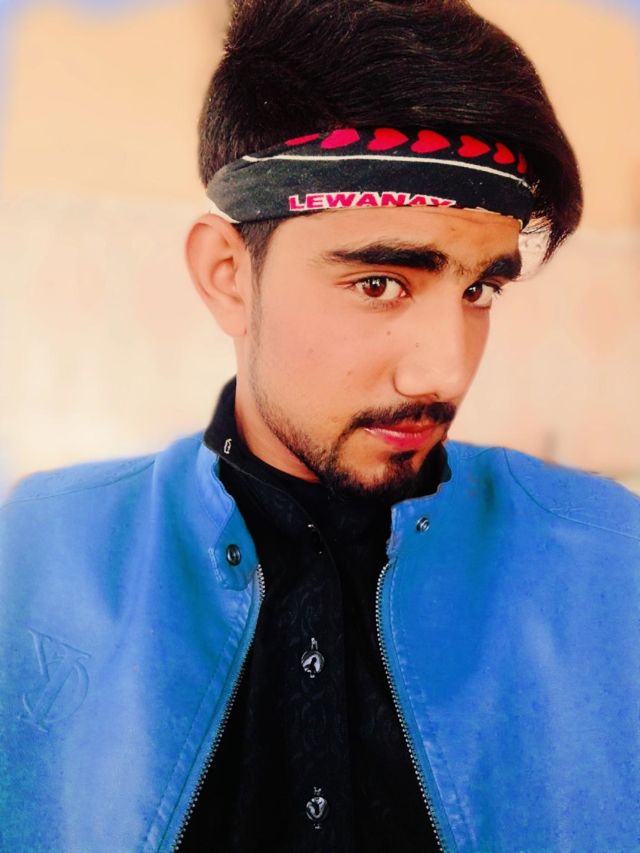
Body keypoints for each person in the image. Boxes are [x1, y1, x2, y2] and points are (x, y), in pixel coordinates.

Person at [1, 0, 638, 851]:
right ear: (228, 276)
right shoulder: (34, 558)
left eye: (480, 289)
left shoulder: (613, 562)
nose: (445, 372)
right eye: (380, 283)